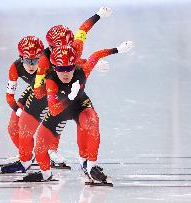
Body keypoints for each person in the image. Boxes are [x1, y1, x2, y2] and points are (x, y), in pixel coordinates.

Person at [11, 7, 113, 173]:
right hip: (45, 90)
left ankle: (74, 157)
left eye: (67, 49)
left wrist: (99, 14)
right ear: (50, 49)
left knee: (85, 120)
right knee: (25, 126)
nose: (63, 53)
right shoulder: (44, 61)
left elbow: (83, 30)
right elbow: (38, 91)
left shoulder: (75, 47)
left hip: (65, 90)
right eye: (57, 51)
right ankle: (30, 158)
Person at [22, 41, 134, 182]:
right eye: (60, 69)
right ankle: (45, 173)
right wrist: (69, 97)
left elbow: (95, 56)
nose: (65, 73)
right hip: (59, 108)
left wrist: (117, 49)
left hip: (79, 106)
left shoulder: (83, 71)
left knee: (92, 122)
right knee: (40, 145)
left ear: (75, 65)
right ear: (54, 68)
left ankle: (90, 165)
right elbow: (54, 110)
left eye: (69, 68)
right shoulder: (50, 81)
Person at [1, 36, 44, 173]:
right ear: (21, 58)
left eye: (35, 60)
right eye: (27, 60)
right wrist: (18, 111)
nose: (31, 65)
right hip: (33, 90)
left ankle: (25, 161)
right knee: (13, 128)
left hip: (48, 95)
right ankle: (27, 156)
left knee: (25, 128)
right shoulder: (15, 67)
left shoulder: (49, 63)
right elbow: (9, 97)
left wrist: (95, 63)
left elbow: (72, 60)